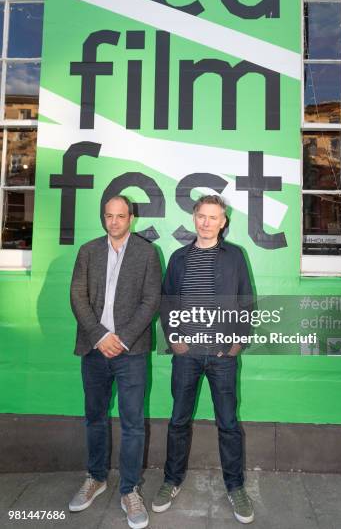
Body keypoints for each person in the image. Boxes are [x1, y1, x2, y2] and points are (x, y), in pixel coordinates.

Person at [152, 194, 255, 524]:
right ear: (194, 218)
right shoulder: (179, 258)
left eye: (214, 217)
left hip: (222, 356)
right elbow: (166, 303)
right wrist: (175, 340)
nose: (207, 222)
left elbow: (246, 302)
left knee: (228, 424)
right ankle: (171, 480)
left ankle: (235, 486)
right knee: (178, 420)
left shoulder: (235, 256)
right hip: (187, 357)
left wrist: (237, 343)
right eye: (202, 216)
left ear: (223, 222)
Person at [69, 195, 161, 529]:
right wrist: (99, 336)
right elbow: (77, 296)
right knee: (95, 417)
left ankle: (130, 489)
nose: (114, 222)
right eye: (108, 216)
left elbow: (151, 301)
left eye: (120, 216)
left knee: (133, 423)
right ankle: (96, 477)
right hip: (94, 350)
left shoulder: (147, 253)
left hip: (130, 351)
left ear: (131, 218)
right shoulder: (88, 251)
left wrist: (120, 338)